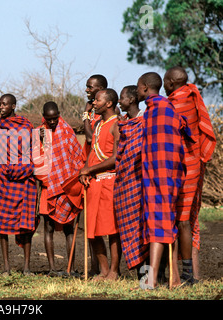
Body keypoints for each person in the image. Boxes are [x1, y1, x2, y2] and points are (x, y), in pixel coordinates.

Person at [137, 72, 192, 289]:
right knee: (163, 224)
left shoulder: (161, 109)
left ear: (144, 88)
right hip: (157, 176)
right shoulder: (158, 110)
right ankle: (175, 279)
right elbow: (184, 127)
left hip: (163, 176)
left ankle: (151, 280)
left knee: (159, 225)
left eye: (138, 86)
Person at [163, 66, 216, 283]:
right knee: (189, 219)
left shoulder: (176, 103)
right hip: (195, 164)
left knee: (180, 220)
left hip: (182, 166)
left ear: (171, 83)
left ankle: (183, 274)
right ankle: (190, 274)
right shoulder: (192, 95)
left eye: (166, 81)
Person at [0, 93, 38, 276]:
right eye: (0, 104)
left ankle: (26, 267)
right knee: (2, 226)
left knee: (26, 226)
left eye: (5, 104)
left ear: (13, 106)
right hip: (3, 181)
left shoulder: (25, 126)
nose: (1, 107)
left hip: (23, 180)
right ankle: (6, 268)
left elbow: (31, 150)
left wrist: (23, 168)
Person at [33, 101, 83, 276]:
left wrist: (76, 181)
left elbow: (77, 156)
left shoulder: (67, 130)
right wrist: (40, 141)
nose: (53, 122)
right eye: (49, 119)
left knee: (69, 228)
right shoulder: (39, 133)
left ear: (59, 114)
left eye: (55, 118)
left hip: (67, 185)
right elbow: (36, 162)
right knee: (48, 227)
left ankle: (70, 266)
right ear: (44, 117)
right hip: (49, 186)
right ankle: (52, 268)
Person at [79, 89, 122, 281]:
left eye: (98, 100)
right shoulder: (98, 125)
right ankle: (103, 270)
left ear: (109, 103)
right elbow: (92, 152)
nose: (94, 103)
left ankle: (114, 270)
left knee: (112, 230)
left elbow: (115, 157)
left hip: (109, 181)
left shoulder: (117, 124)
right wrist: (86, 170)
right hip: (94, 183)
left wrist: (90, 169)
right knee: (93, 229)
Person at [114, 86, 149, 275]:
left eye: (122, 98)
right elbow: (121, 153)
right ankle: (141, 275)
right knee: (130, 228)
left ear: (132, 100)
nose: (120, 102)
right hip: (125, 182)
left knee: (142, 227)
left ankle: (152, 275)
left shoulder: (144, 122)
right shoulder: (124, 123)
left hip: (141, 182)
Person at [81, 74, 108, 276]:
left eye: (91, 87)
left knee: (105, 227)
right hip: (90, 170)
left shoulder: (104, 114)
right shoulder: (95, 112)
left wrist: (86, 115)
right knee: (91, 225)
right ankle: (95, 267)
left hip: (103, 172)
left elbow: (91, 138)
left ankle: (108, 269)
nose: (87, 90)